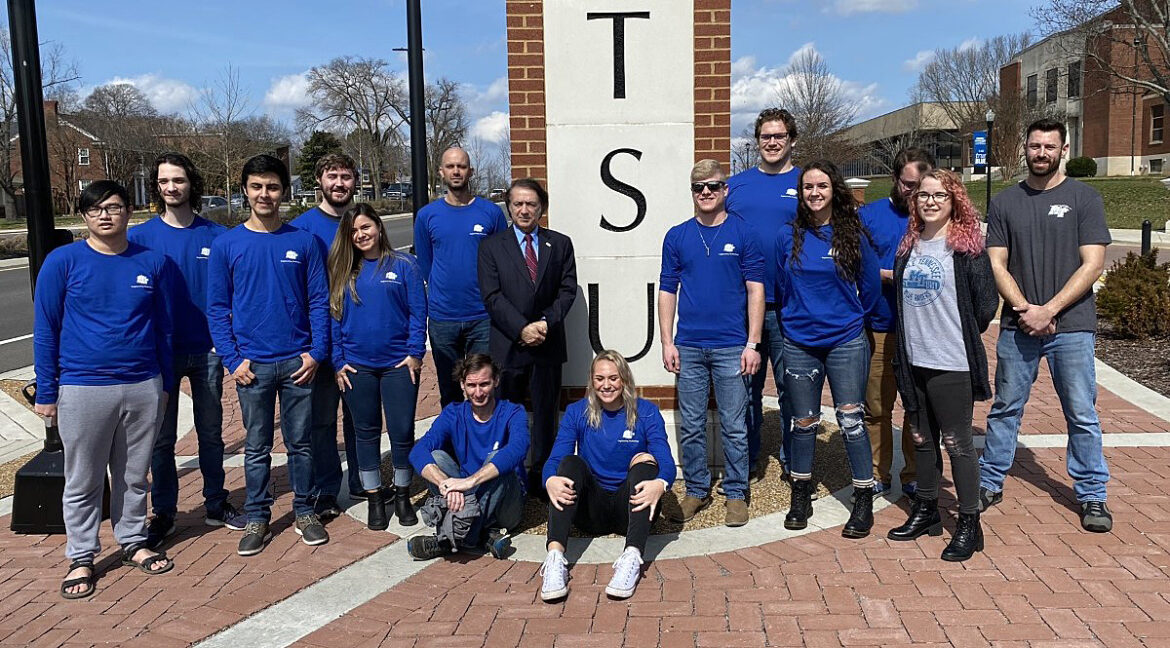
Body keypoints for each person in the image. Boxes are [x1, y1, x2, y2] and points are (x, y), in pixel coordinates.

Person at [34, 180, 175, 599]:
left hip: (142, 384)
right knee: (83, 477)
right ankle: (81, 555)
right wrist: (46, 391)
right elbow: (46, 330)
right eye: (95, 209)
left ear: (129, 211)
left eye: (113, 207)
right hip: (82, 386)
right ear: (83, 217)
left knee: (134, 474)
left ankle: (132, 539)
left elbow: (164, 329)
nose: (105, 215)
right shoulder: (63, 262)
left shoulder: (154, 262)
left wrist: (165, 385)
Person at [978, 118, 1113, 533]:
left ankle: (1092, 495)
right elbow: (996, 262)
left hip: (1071, 326)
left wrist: (1049, 309)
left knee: (1081, 412)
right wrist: (1024, 309)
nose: (1041, 153)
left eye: (1049, 147)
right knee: (1005, 409)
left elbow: (1093, 263)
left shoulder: (1084, 198)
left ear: (1063, 149)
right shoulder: (1004, 202)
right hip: (1020, 327)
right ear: (1025, 147)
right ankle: (989, 482)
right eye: (1034, 146)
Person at [207, 154, 331, 556]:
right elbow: (217, 307)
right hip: (252, 366)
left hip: (297, 362)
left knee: (301, 443)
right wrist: (232, 359)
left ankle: (305, 511)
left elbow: (318, 301)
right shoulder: (227, 244)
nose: (265, 194)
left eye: (273, 187)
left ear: (284, 191)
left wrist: (316, 353)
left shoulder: (304, 241)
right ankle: (258, 516)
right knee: (257, 446)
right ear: (245, 190)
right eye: (257, 186)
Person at [130, 153, 244, 549]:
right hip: (160, 354)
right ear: (157, 186)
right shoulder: (141, 238)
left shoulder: (216, 235)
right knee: (161, 440)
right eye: (163, 181)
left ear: (191, 183)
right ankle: (165, 513)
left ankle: (216, 502)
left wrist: (227, 339)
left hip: (208, 350)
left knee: (211, 433)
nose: (171, 187)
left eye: (178, 180)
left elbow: (233, 294)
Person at [886, 170, 998, 561]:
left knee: (957, 443)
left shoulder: (966, 249)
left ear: (955, 202)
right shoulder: (909, 246)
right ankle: (928, 509)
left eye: (940, 195)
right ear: (914, 202)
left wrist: (955, 332)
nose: (930, 202)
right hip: (913, 359)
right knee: (921, 439)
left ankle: (970, 522)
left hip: (951, 362)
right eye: (923, 196)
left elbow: (985, 306)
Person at [776, 160, 880, 538]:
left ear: (834, 189)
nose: (815, 193)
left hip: (845, 341)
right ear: (801, 193)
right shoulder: (787, 237)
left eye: (822, 186)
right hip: (800, 342)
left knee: (851, 421)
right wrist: (796, 320)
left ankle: (863, 497)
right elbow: (779, 287)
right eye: (807, 187)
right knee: (803, 422)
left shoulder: (852, 235)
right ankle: (800, 493)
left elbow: (868, 290)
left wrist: (845, 318)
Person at [658, 159, 764, 527]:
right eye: (698, 187)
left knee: (735, 424)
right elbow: (668, 290)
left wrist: (753, 343)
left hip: (732, 346)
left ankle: (736, 493)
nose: (705, 192)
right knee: (691, 423)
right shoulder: (677, 236)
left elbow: (756, 289)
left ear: (725, 190)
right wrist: (667, 341)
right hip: (688, 346)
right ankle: (697, 489)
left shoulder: (745, 233)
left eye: (713, 186)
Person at [538, 351, 676, 602]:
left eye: (613, 378)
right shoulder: (576, 411)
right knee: (570, 463)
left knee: (646, 465)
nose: (606, 385)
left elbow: (666, 460)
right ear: (591, 381)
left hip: (631, 508)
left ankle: (632, 557)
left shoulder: (645, 411)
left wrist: (660, 483)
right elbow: (557, 457)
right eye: (600, 378)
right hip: (592, 510)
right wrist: (549, 480)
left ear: (624, 379)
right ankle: (556, 558)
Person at [328, 203, 426, 530]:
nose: (361, 235)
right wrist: (338, 361)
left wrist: (415, 353)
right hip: (357, 368)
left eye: (366, 227)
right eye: (354, 231)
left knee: (401, 431)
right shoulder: (343, 271)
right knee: (365, 434)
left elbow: (417, 312)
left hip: (398, 364)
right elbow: (334, 320)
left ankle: (401, 493)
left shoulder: (405, 265)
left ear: (378, 228)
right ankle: (373, 497)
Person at [477, 178, 578, 496]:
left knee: (546, 415)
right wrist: (522, 328)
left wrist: (546, 323)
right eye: (518, 203)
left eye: (531, 204)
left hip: (547, 344)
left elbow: (567, 289)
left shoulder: (559, 244)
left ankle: (542, 477)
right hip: (508, 346)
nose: (524, 210)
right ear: (508, 206)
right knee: (507, 415)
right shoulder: (492, 246)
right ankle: (511, 477)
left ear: (541, 208)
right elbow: (492, 296)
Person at [725, 108, 800, 482]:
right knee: (746, 388)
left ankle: (790, 458)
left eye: (779, 136)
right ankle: (750, 457)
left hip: (790, 307)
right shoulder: (736, 186)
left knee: (790, 386)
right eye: (766, 136)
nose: (772, 142)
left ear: (791, 140)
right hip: (744, 307)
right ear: (757, 141)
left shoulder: (807, 184)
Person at [859, 148, 936, 497]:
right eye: (908, 185)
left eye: (921, 186)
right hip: (879, 323)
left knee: (916, 407)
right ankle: (877, 473)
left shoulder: (934, 217)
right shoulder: (870, 216)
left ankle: (913, 474)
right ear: (894, 179)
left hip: (921, 328)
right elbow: (852, 265)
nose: (914, 193)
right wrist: (886, 275)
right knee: (876, 405)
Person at [289, 153, 362, 517]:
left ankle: (364, 481)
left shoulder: (361, 224)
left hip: (358, 336)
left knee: (359, 415)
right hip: (318, 337)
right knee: (321, 420)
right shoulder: (301, 229)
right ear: (318, 180)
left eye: (345, 176)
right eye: (332, 176)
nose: (339, 183)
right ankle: (326, 490)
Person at [406, 354, 529, 560]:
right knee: (436, 457)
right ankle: (482, 535)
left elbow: (518, 448)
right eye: (471, 385)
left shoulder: (513, 412)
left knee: (499, 460)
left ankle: (448, 540)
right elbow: (418, 452)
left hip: (505, 504)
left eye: (484, 384)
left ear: (496, 381)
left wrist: (468, 482)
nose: (478, 392)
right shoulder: (453, 413)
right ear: (462, 384)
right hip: (465, 497)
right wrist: (446, 484)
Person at [414, 147, 509, 407]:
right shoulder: (426, 216)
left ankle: (486, 443)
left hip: (483, 316)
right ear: (441, 171)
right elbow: (425, 263)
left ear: (471, 171)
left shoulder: (490, 213)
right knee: (449, 390)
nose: (456, 171)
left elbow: (503, 261)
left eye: (462, 166)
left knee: (484, 388)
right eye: (451, 166)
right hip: (443, 317)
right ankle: (454, 445)